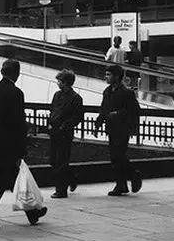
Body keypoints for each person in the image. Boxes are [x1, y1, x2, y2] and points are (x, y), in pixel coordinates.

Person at [0, 59, 47, 230]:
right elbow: (18, 123)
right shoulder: (16, 93)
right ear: (17, 73)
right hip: (10, 145)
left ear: (2, 72)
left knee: (13, 176)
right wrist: (21, 148)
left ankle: (33, 211)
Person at [94, 64, 142, 197]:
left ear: (117, 77)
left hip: (122, 128)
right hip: (111, 127)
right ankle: (126, 181)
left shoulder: (127, 93)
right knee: (115, 157)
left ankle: (124, 182)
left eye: (109, 75)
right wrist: (98, 123)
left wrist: (118, 114)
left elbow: (134, 110)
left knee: (118, 156)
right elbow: (103, 108)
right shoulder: (107, 91)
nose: (106, 77)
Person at [48, 70, 84, 199]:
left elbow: (77, 116)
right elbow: (53, 110)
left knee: (61, 160)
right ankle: (71, 178)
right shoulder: (57, 95)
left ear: (66, 83)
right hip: (55, 131)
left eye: (60, 81)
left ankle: (61, 189)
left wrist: (65, 125)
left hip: (64, 132)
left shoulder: (75, 98)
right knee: (53, 160)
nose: (58, 83)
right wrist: (50, 122)